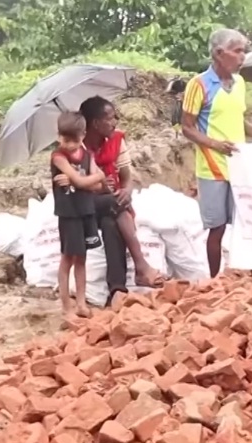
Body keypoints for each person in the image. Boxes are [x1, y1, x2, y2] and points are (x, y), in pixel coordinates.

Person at [180, 28, 252, 276]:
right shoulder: (198, 85)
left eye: (244, 50)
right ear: (218, 53)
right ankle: (215, 279)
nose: (243, 56)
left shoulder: (240, 83)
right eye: (237, 51)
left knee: (247, 221)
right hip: (212, 167)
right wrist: (215, 144)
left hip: (239, 165)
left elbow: (239, 123)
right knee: (217, 227)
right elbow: (187, 127)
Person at [79, 95, 165, 288]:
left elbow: (126, 179)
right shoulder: (77, 147)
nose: (114, 122)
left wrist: (126, 190)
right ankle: (141, 265)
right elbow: (75, 185)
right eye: (110, 118)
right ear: (95, 123)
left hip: (111, 205)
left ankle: (117, 290)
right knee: (114, 202)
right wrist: (98, 186)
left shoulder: (117, 140)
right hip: (86, 205)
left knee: (111, 224)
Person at [49, 112, 107, 320]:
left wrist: (89, 179)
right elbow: (86, 182)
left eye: (74, 141)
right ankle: (66, 306)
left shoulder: (87, 155)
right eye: (65, 140)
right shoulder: (58, 157)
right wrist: (93, 177)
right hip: (69, 214)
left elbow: (101, 186)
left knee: (82, 258)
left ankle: (81, 303)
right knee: (67, 259)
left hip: (86, 210)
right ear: (58, 136)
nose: (70, 145)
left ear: (83, 135)